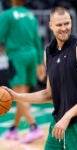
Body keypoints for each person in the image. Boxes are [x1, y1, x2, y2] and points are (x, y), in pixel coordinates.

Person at [3, 6, 77, 149]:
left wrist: (68, 116)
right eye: (59, 25)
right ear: (51, 26)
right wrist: (16, 96)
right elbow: (49, 94)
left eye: (67, 23)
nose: (64, 28)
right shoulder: (48, 53)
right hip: (58, 126)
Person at [0, 0, 45, 143]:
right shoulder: (31, 15)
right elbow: (38, 41)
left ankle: (34, 127)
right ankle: (14, 128)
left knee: (17, 93)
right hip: (32, 56)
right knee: (22, 95)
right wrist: (40, 63)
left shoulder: (7, 15)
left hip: (17, 57)